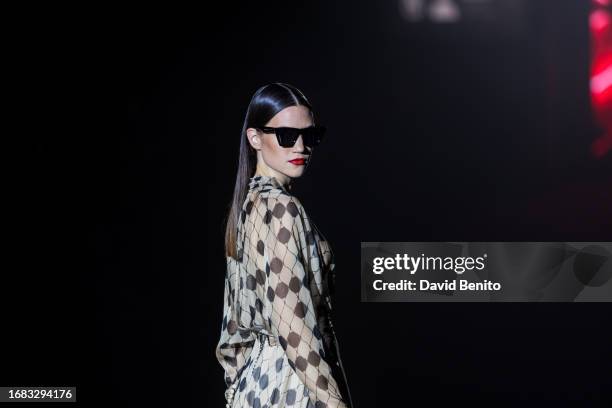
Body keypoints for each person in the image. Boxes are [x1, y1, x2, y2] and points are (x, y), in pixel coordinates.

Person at [216, 82, 353, 408]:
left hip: (257, 384)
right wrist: (334, 404)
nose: (302, 146)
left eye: (311, 135)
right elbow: (295, 331)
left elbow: (232, 331)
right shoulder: (280, 208)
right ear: (255, 138)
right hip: (294, 385)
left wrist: (240, 390)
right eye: (287, 136)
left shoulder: (247, 206)